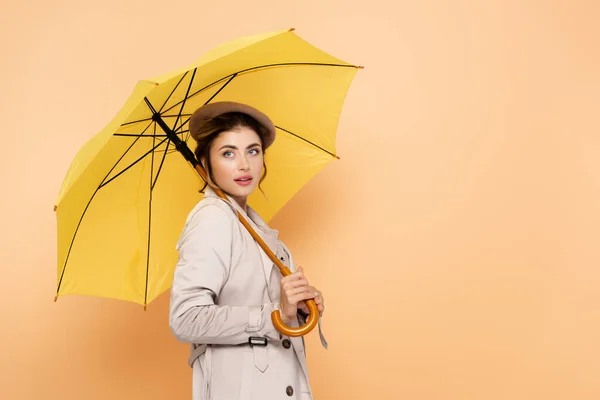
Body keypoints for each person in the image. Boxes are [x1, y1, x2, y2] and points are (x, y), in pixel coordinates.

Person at [169, 101, 328, 400]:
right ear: (204, 163)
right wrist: (274, 315)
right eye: (228, 153)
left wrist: (302, 307)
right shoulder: (212, 219)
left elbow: (274, 308)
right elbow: (186, 318)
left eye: (252, 151)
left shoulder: (253, 226)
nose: (244, 164)